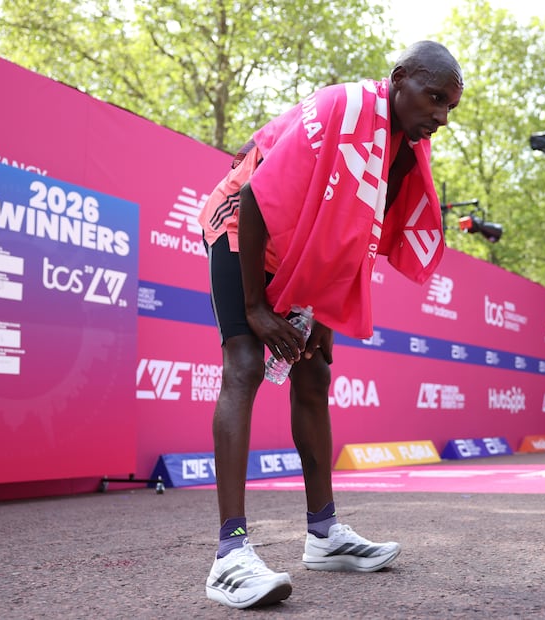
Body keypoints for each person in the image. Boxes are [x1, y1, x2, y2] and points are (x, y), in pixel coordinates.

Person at [196, 41, 463, 610]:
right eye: (434, 98)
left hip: (295, 254)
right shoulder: (343, 108)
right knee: (243, 366)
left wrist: (321, 311)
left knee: (314, 374)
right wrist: (255, 309)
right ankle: (229, 555)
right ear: (399, 81)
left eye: (449, 108)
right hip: (239, 230)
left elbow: (354, 233)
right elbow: (257, 202)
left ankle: (324, 535)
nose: (440, 117)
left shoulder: (402, 146)